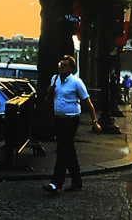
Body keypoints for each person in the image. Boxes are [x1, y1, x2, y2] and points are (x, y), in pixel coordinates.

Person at [43, 55, 102, 195]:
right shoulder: (54, 79)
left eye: (64, 65)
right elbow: (52, 96)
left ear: (71, 68)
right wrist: (49, 92)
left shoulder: (76, 83)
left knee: (62, 150)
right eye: (60, 64)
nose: (61, 67)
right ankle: (76, 181)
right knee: (69, 151)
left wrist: (95, 121)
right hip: (59, 119)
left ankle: (55, 183)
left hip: (71, 120)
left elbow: (87, 102)